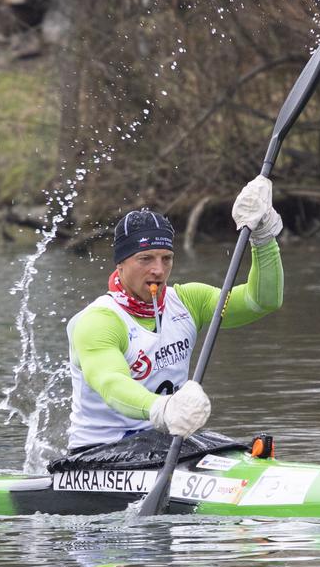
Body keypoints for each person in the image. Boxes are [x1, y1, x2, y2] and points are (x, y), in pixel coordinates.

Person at [66, 177, 285, 453]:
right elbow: (111, 384)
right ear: (120, 265)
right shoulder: (100, 321)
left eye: (166, 258)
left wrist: (264, 240)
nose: (158, 269)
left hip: (165, 444)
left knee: (248, 449)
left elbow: (261, 301)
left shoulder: (189, 301)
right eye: (145, 259)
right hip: (100, 452)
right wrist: (162, 408)